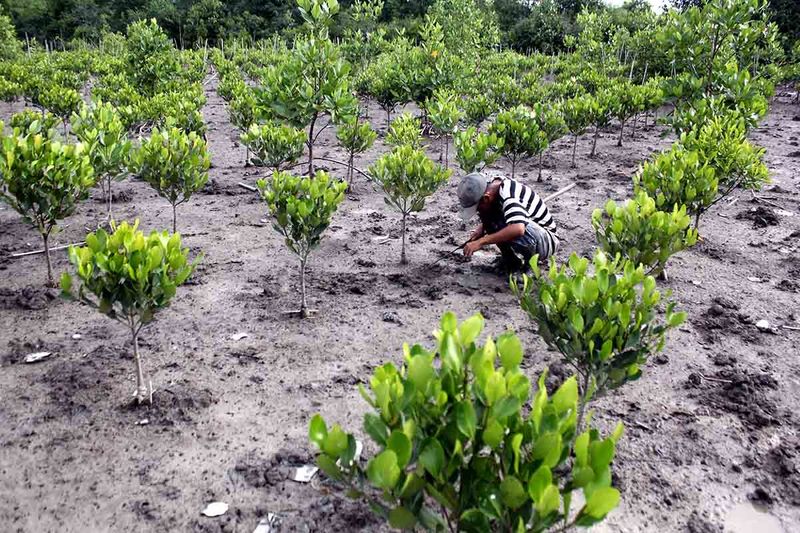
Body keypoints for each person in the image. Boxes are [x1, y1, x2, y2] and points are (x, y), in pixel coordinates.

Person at [457, 172, 559, 271]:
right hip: (529, 229)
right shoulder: (493, 186)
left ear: (486, 198)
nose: (478, 211)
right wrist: (482, 229)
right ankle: (510, 260)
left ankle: (531, 266)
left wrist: (481, 241)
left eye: (478, 207)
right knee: (487, 215)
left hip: (546, 241)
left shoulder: (508, 196)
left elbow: (518, 229)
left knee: (514, 225)